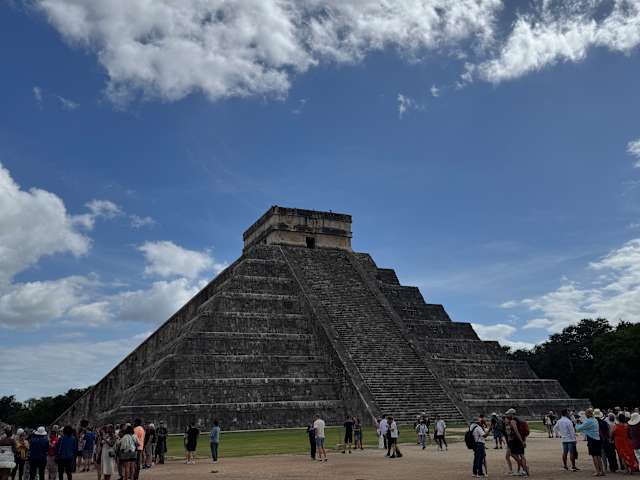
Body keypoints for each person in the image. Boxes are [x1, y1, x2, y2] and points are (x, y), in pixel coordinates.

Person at [576, 408, 605, 477]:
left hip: (592, 440)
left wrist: (577, 423)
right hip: (597, 439)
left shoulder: (588, 421)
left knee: (594, 456)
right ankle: (602, 471)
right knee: (598, 456)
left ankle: (597, 471)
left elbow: (578, 428)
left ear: (587, 414)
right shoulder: (595, 420)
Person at [505, 408, 529, 476]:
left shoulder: (513, 421)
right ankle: (525, 470)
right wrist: (523, 440)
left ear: (511, 414)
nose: (508, 415)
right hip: (520, 439)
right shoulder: (519, 420)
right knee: (521, 455)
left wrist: (521, 441)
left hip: (517, 440)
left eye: (509, 414)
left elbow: (516, 432)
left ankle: (525, 469)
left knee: (514, 454)